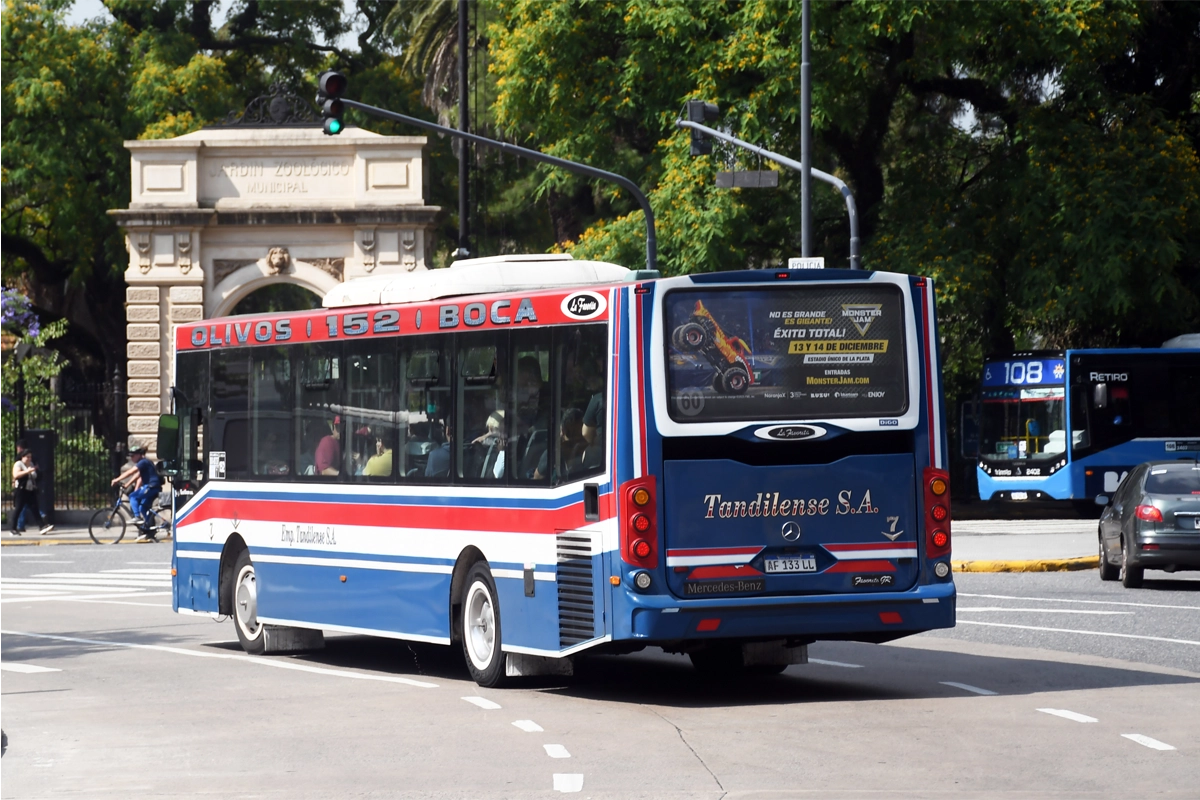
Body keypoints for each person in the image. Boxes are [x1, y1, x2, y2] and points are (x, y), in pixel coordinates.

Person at [112, 447, 162, 542]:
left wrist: (117, 479)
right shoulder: (144, 462)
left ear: (139, 455)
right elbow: (138, 475)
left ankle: (137, 517)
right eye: (130, 456)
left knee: (133, 496)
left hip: (151, 486)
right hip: (153, 487)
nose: (131, 458)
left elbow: (131, 472)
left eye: (133, 456)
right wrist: (127, 484)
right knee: (143, 508)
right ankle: (149, 531)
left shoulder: (143, 462)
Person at [11, 449, 53, 535]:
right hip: (21, 490)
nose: (29, 459)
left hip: (30, 490)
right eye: (27, 457)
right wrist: (27, 471)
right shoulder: (19, 464)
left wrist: (36, 472)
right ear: (22, 457)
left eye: (30, 457)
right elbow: (16, 475)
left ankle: (42, 527)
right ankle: (13, 528)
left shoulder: (31, 464)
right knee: (18, 509)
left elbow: (34, 476)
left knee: (35, 508)